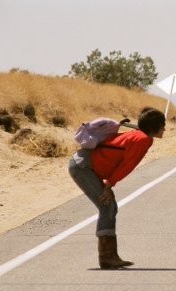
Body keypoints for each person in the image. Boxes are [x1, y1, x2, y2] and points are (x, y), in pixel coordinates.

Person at [68, 107, 166, 269]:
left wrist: (109, 184)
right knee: (107, 206)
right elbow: (127, 165)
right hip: (83, 166)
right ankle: (106, 257)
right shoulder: (143, 139)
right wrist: (109, 185)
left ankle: (111, 256)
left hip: (85, 165)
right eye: (162, 124)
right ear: (153, 127)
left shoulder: (139, 135)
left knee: (110, 207)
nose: (165, 128)